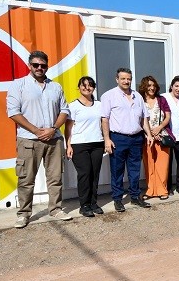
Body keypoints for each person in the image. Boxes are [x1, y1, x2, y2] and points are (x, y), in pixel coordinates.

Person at [7, 51, 72, 228]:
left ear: (47, 66)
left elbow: (64, 111)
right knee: (26, 179)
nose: (39, 68)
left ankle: (56, 209)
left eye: (43, 65)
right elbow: (13, 112)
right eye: (36, 65)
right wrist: (36, 130)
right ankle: (24, 214)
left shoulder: (55, 87)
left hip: (54, 139)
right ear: (30, 65)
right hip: (29, 140)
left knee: (55, 177)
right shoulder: (18, 85)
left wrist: (53, 129)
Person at [100, 68, 153, 212]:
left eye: (128, 78)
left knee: (134, 170)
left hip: (136, 138)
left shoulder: (138, 96)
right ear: (117, 79)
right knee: (117, 171)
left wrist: (148, 134)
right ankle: (117, 199)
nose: (126, 81)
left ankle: (135, 197)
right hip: (118, 138)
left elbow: (144, 118)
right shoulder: (109, 96)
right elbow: (105, 119)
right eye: (123, 78)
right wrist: (107, 139)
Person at [64, 76, 105, 218]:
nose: (87, 88)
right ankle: (84, 205)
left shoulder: (99, 105)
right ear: (79, 87)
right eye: (84, 85)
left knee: (94, 174)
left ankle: (93, 203)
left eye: (90, 85)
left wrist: (106, 140)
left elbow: (104, 123)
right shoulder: (73, 106)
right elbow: (68, 128)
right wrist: (68, 145)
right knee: (85, 173)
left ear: (93, 87)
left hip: (97, 143)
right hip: (79, 144)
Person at [139, 75, 172, 200]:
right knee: (149, 164)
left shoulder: (161, 99)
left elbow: (168, 116)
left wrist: (159, 129)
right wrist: (149, 134)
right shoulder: (140, 100)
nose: (152, 88)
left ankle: (162, 190)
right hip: (146, 137)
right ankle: (150, 190)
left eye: (153, 85)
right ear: (144, 87)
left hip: (162, 136)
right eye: (149, 85)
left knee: (162, 165)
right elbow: (139, 118)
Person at [164, 76, 179, 195]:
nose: (178, 89)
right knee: (167, 163)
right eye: (176, 86)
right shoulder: (164, 97)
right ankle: (168, 187)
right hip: (168, 135)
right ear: (171, 86)